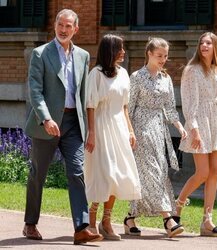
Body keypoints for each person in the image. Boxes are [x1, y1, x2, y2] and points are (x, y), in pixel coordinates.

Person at [23, 9, 103, 244]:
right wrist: (46, 118)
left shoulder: (83, 56)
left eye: (68, 26)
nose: (63, 29)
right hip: (46, 123)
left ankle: (81, 228)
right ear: (55, 25)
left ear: (76, 29)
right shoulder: (40, 54)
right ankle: (30, 223)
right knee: (38, 174)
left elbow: (83, 95)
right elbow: (35, 91)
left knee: (77, 172)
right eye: (60, 24)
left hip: (73, 124)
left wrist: (89, 130)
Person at [124, 37, 187, 238]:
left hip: (159, 131)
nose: (163, 59)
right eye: (159, 55)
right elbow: (128, 107)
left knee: (156, 173)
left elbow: (169, 107)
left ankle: (129, 218)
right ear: (149, 54)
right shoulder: (136, 77)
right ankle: (168, 219)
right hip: (140, 130)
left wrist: (180, 126)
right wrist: (129, 132)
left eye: (165, 56)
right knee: (151, 172)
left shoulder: (165, 79)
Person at [177, 32, 217, 237]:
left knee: (215, 171)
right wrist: (194, 129)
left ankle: (207, 221)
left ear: (215, 47)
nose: (204, 45)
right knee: (202, 172)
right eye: (201, 42)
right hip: (200, 123)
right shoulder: (191, 70)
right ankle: (178, 207)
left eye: (208, 43)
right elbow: (189, 102)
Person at [84, 34, 141, 240]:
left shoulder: (124, 73)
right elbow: (90, 105)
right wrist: (91, 133)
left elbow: (124, 106)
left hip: (119, 128)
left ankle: (106, 221)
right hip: (100, 128)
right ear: (110, 50)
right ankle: (91, 221)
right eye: (120, 48)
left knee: (118, 175)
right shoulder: (96, 74)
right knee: (104, 175)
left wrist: (131, 130)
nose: (123, 51)